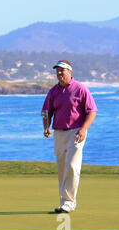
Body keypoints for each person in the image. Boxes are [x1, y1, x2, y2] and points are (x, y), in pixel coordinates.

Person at [41, 60, 97, 213]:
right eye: (57, 71)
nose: (59, 73)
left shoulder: (80, 89)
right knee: (62, 168)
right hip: (59, 133)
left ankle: (69, 202)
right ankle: (64, 201)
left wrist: (84, 129)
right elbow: (46, 111)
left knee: (72, 166)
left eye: (62, 70)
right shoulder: (53, 91)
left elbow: (92, 111)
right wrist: (46, 127)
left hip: (76, 132)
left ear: (70, 72)